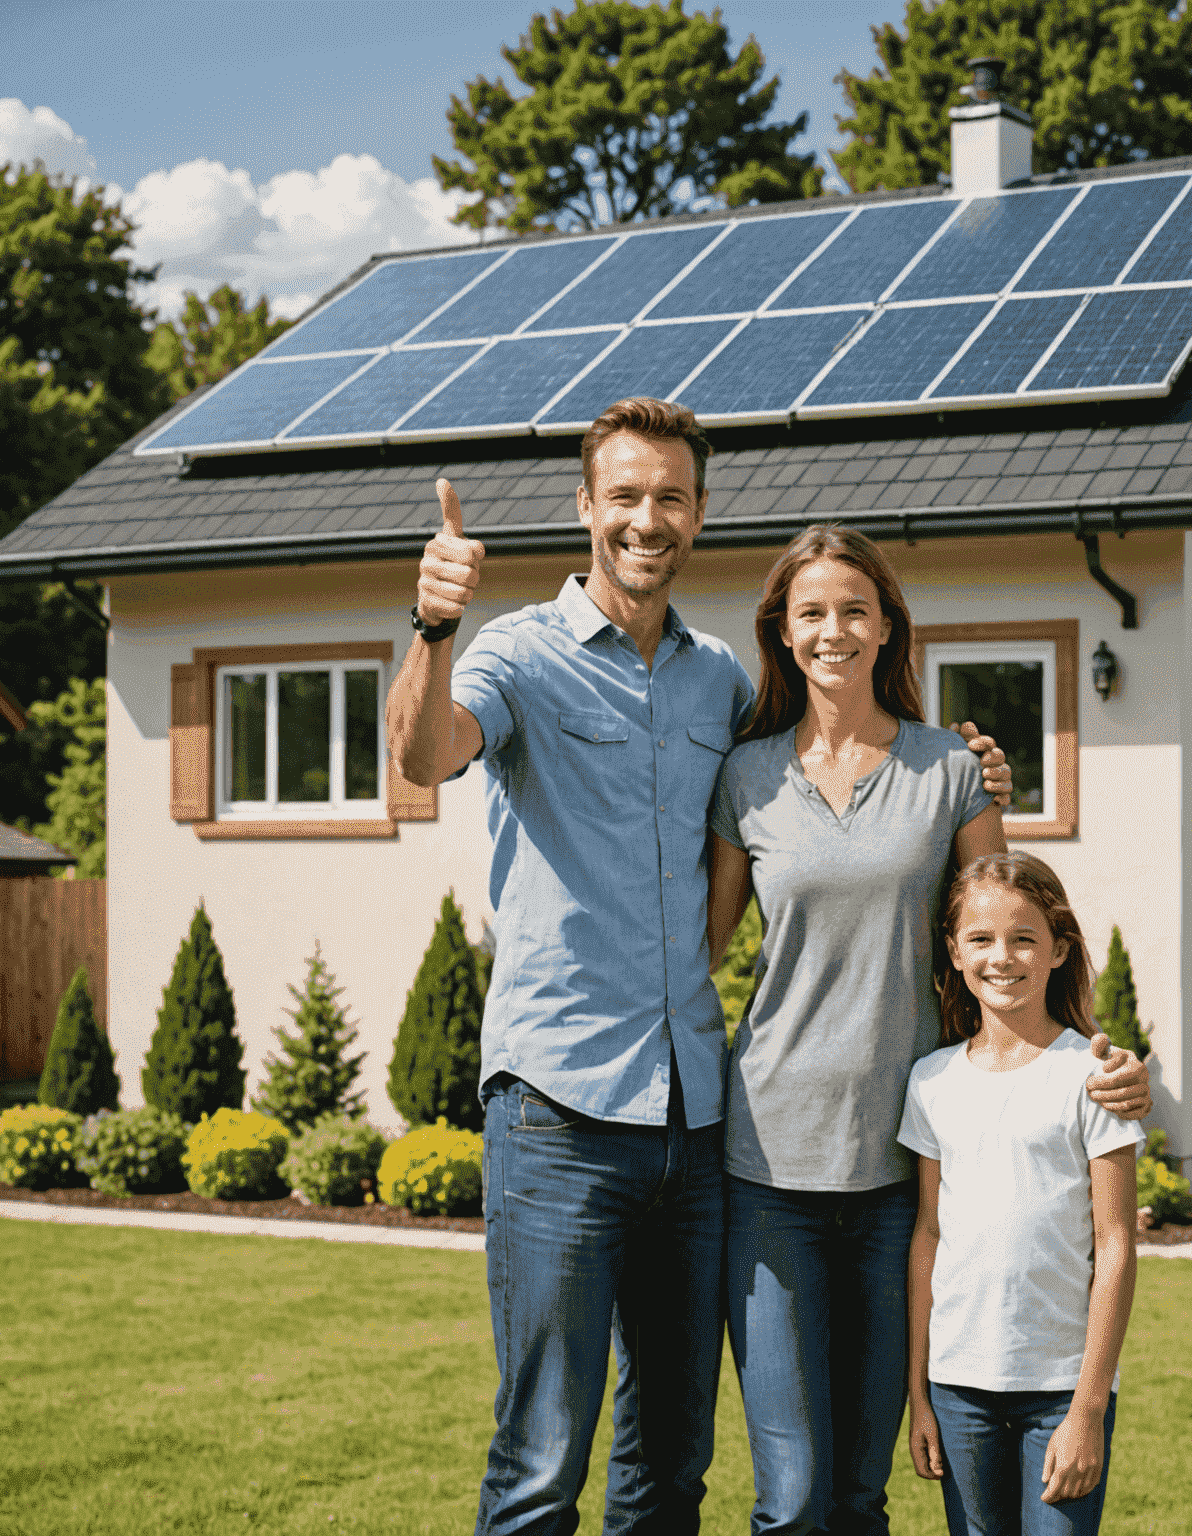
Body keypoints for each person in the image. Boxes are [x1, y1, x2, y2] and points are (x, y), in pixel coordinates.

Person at [385, 398, 1012, 1535]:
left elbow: (824, 778)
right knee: (539, 1465)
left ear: (699, 516)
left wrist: (962, 766)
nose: (647, 519)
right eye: (624, 496)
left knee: (670, 1466)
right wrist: (430, 627)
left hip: (694, 1126)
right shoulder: (515, 653)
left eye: (670, 497)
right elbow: (424, 758)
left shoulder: (717, 679)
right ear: (586, 508)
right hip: (560, 1113)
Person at [706, 527, 1151, 1536]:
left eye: (855, 608)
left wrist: (1095, 1060)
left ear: (888, 626)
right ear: (781, 630)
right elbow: (698, 951)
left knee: (864, 1494)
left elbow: (1000, 929)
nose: (834, 630)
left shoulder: (950, 766)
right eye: (810, 610)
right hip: (768, 1164)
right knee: (791, 1497)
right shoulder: (746, 778)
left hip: (900, 1181)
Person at [902, 851, 1142, 1536]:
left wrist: (1088, 1409)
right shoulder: (931, 1081)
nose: (1001, 957)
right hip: (959, 1388)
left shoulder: (1092, 1074)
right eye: (980, 939)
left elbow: (1116, 1247)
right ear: (953, 952)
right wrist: (919, 1393)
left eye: (1024, 938)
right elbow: (928, 1235)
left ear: (1058, 949)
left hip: (1060, 1390)